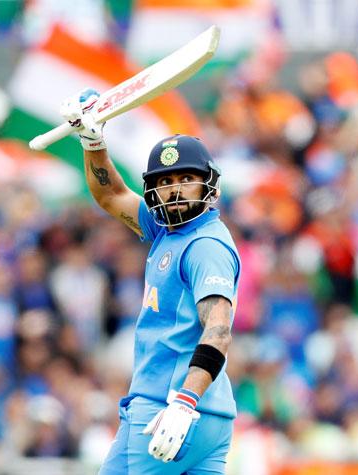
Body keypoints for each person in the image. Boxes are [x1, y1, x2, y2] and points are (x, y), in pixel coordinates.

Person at [60, 88, 241, 474]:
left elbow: (219, 331)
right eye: (165, 180)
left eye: (187, 178)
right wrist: (93, 141)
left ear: (210, 184)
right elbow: (111, 196)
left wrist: (183, 402)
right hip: (207, 414)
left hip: (169, 407)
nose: (174, 189)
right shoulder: (165, 229)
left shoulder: (204, 244)